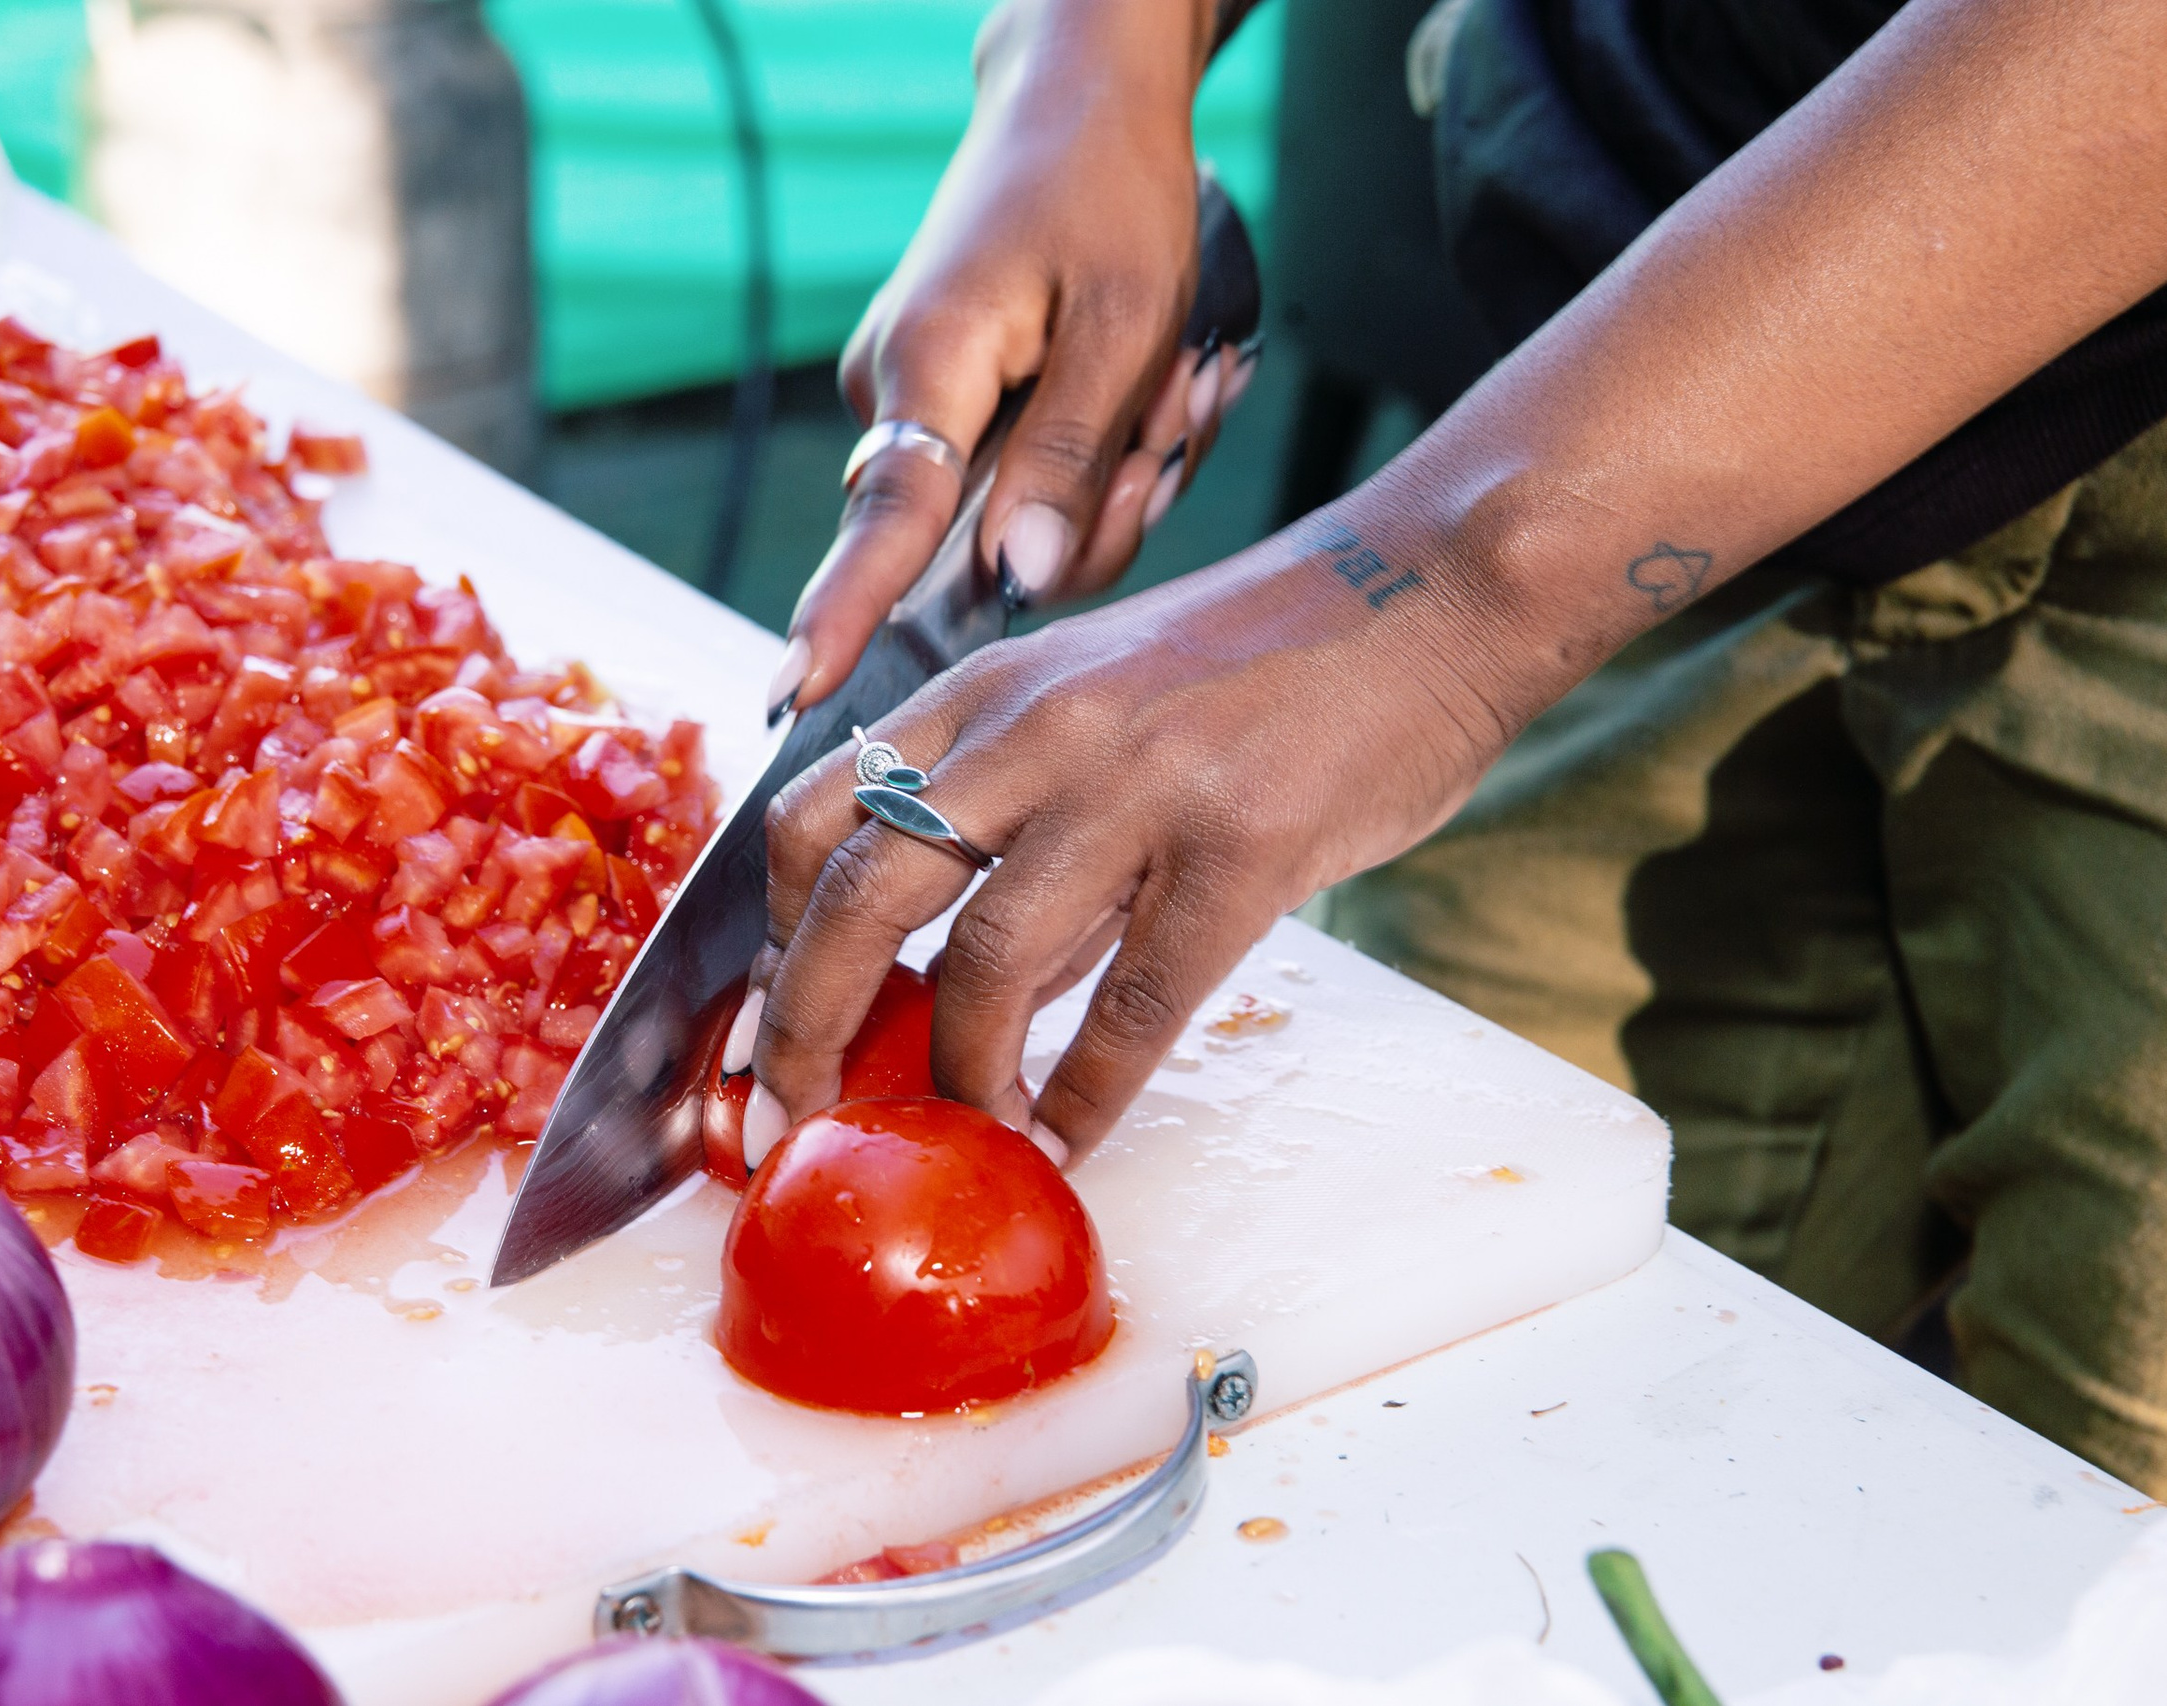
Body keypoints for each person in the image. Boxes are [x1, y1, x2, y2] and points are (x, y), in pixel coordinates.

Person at [728, 0, 2167, 1495]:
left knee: (2108, 1513)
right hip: (1644, 284)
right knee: (1439, 1410)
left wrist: (1455, 585)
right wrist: (1099, 59)